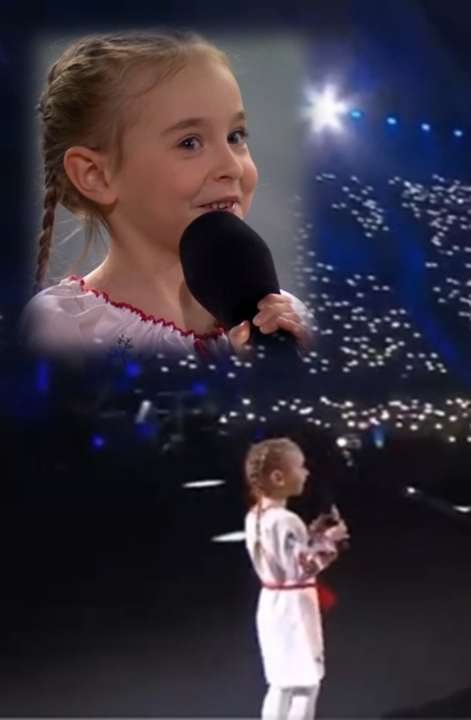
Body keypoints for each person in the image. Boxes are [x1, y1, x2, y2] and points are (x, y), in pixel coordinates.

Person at [20, 30, 312, 363]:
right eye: (189, 143)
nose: (231, 166)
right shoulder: (65, 328)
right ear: (95, 175)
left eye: (235, 136)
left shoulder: (287, 320)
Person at [244, 437, 349, 720]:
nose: (306, 473)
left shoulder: (256, 516)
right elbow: (303, 567)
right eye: (300, 467)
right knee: (306, 684)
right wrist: (329, 540)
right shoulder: (285, 520)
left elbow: (284, 556)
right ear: (278, 478)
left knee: (280, 683)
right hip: (294, 610)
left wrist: (312, 534)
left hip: (272, 603)